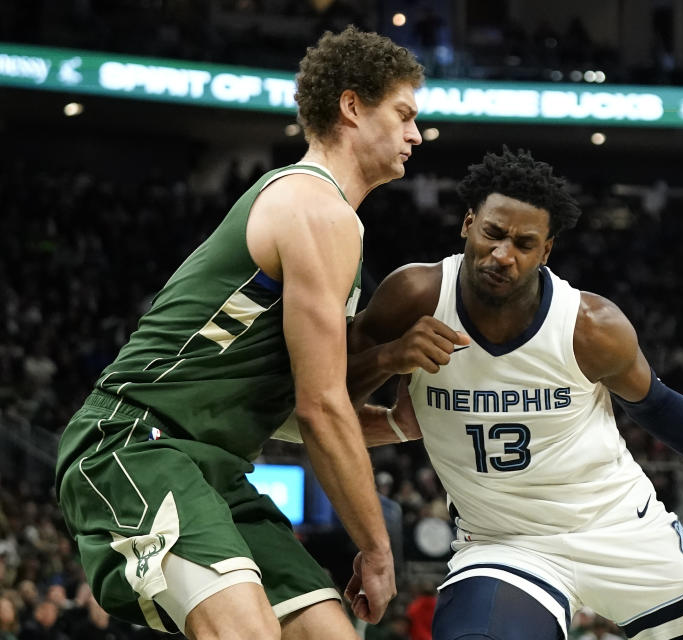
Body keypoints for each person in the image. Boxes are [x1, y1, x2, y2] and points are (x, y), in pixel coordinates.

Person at [347, 148, 683, 640]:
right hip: (505, 543)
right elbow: (325, 394)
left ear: (546, 251)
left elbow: (660, 406)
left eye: (524, 243)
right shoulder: (414, 296)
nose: (502, 254)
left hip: (621, 526)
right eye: (492, 233)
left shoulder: (590, 326)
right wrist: (387, 358)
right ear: (468, 223)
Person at [55, 26, 423, 639]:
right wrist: (377, 547)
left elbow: (276, 410)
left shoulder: (333, 222)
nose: (415, 134)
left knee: (330, 634)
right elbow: (320, 408)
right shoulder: (314, 208)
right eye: (404, 114)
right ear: (353, 106)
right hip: (132, 443)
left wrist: (397, 424)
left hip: (211, 466)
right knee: (243, 631)